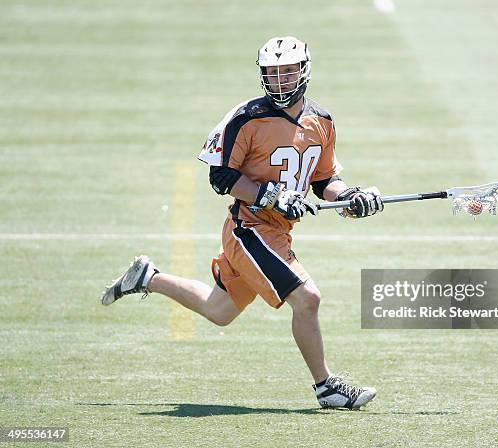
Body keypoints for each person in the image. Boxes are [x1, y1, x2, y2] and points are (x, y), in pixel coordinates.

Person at [101, 36, 384, 410]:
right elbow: (221, 176)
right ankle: (326, 387)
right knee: (308, 298)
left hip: (275, 233)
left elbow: (323, 181)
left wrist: (350, 197)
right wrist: (271, 196)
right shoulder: (246, 118)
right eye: (272, 73)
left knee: (219, 311)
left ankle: (148, 277)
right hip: (248, 229)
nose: (280, 80)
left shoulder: (323, 121)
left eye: (287, 72)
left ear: (304, 70)